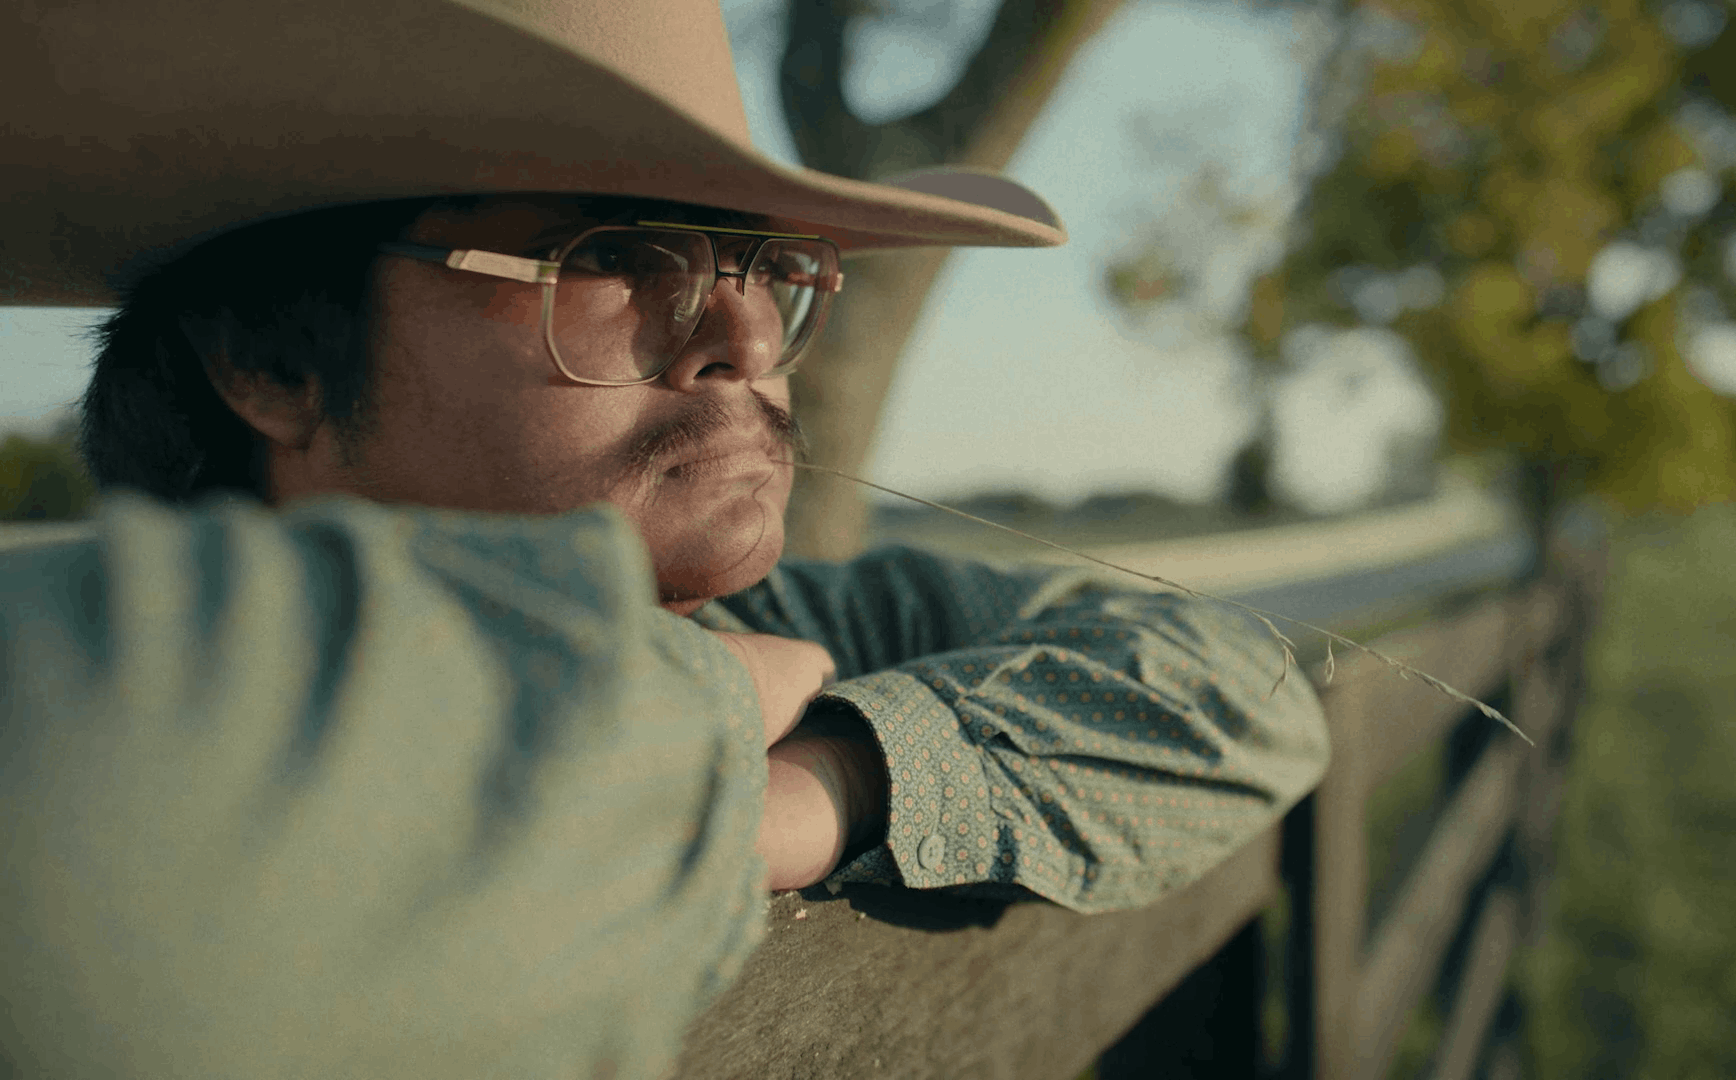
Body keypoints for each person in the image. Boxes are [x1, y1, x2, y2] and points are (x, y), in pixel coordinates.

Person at [0, 0, 1331, 1077]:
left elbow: (1245, 690)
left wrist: (830, 784)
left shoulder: (795, 625)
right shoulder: (71, 711)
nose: (746, 338)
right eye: (614, 256)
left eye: (765, 268)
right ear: (267, 360)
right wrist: (688, 723)